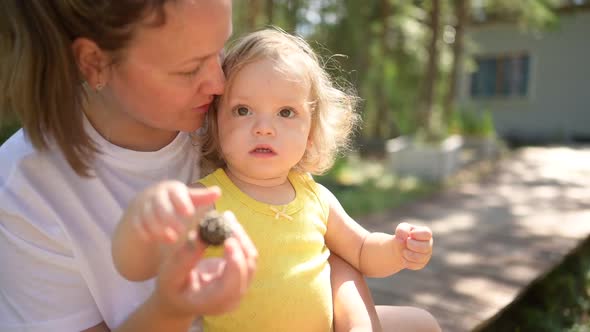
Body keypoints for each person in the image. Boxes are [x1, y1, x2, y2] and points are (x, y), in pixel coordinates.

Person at [0, 1, 440, 332]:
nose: (219, 84)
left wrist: (360, 321)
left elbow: (330, 251)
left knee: (421, 323)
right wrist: (168, 302)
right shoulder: (25, 187)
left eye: (219, 52)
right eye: (191, 67)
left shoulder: (233, 118)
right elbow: (137, 261)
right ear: (95, 63)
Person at [112, 28, 440, 332]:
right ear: (215, 122)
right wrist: (141, 220)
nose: (264, 127)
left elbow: (363, 251)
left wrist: (398, 249)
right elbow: (136, 265)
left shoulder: (315, 197)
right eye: (243, 110)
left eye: (285, 112)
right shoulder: (207, 198)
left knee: (423, 323)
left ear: (311, 132)